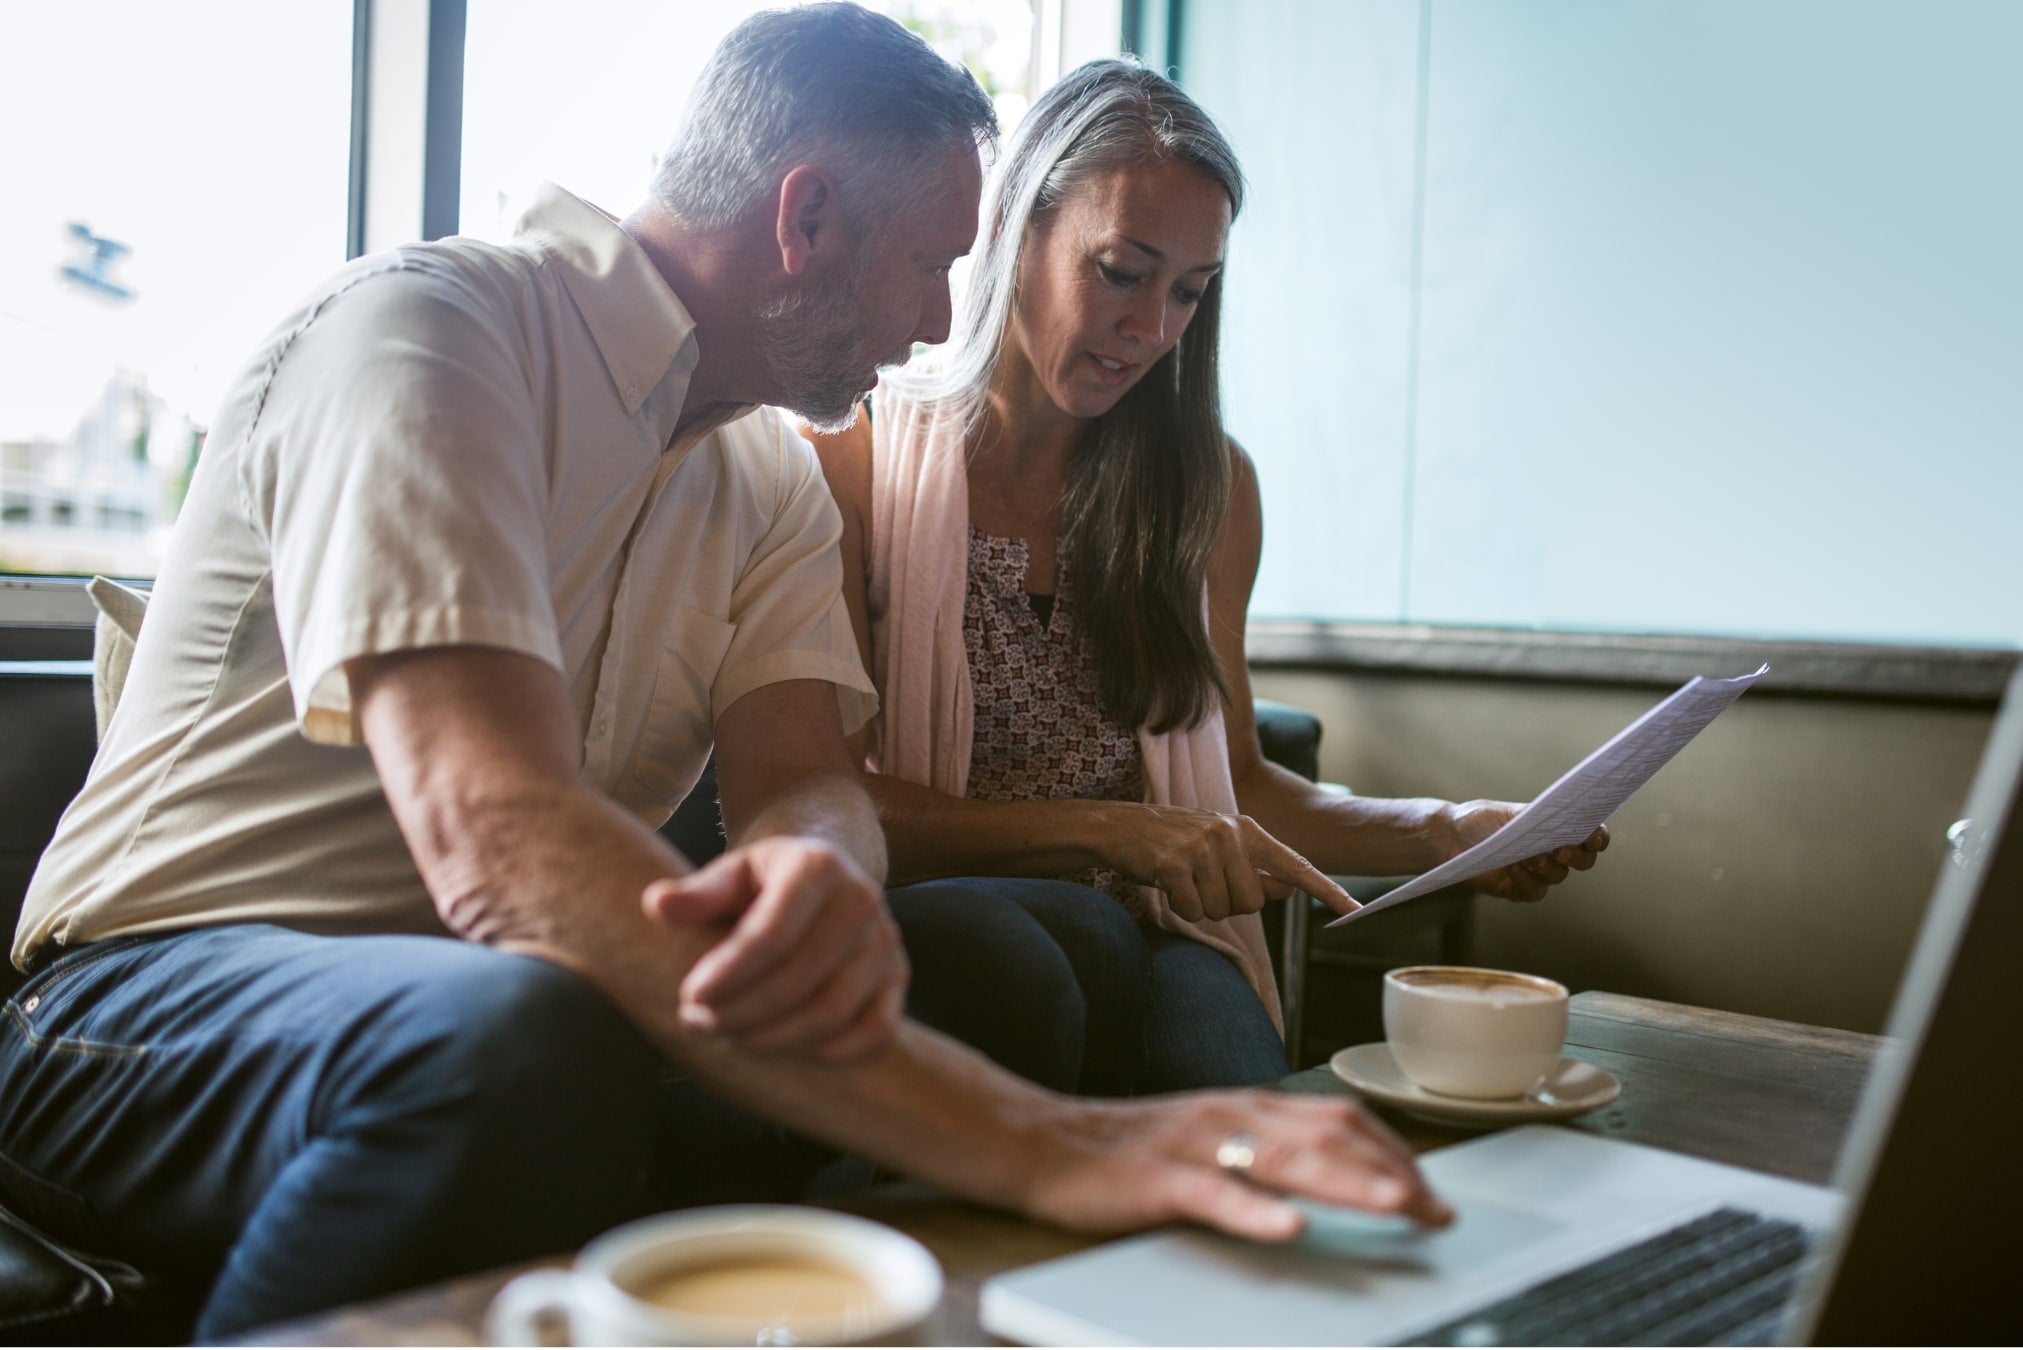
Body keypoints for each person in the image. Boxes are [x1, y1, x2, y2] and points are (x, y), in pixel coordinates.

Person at [0, 8, 1447, 1340]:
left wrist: (817, 864)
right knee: (517, 1035)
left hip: (483, 990)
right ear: (805, 217)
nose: (941, 322)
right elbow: (500, 852)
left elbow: (807, 777)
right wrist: (1062, 1143)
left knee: (960, 961)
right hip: (133, 998)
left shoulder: (762, 476)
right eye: (931, 263)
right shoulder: (432, 337)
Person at [809, 59, 1609, 1094]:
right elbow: (838, 801)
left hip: (1161, 931)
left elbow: (1235, 789)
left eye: (1189, 291)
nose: (1153, 330)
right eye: (1121, 270)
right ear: (1016, 225)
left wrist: (1456, 834)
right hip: (957, 922)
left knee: (1248, 1111)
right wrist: (1113, 834)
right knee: (1063, 950)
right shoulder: (854, 459)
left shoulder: (1209, 490)